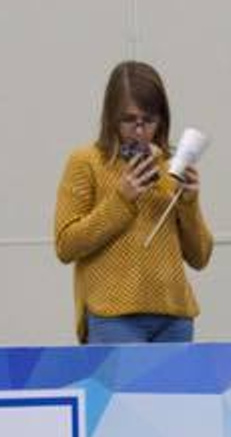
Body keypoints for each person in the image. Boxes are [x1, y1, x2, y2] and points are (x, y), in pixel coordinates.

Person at [54, 61, 213, 345]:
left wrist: (189, 203)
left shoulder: (172, 165)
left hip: (174, 316)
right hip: (113, 316)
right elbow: (66, 245)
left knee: (177, 391)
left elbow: (200, 256)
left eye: (149, 121)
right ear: (110, 118)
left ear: (162, 119)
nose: (139, 131)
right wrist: (120, 200)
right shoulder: (86, 162)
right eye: (129, 120)